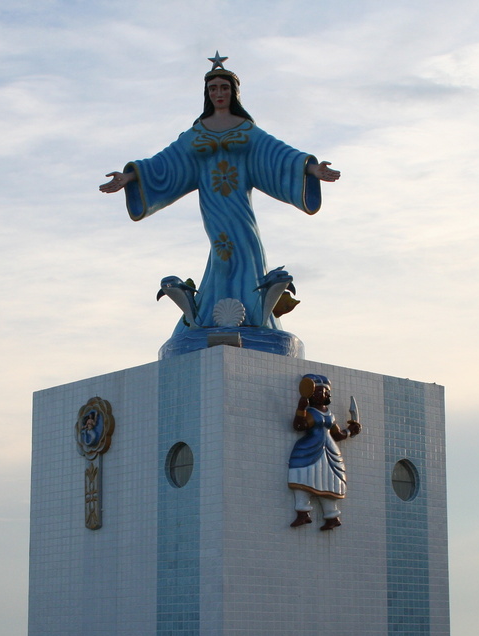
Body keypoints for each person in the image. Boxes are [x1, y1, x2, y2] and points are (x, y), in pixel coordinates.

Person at [100, 54, 339, 333]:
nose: (219, 93)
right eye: (213, 89)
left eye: (224, 88)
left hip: (239, 207)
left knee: (244, 252)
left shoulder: (247, 130)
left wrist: (311, 170)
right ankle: (211, 313)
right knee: (221, 256)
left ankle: (252, 316)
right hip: (213, 207)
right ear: (207, 93)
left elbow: (279, 155)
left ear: (233, 92)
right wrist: (129, 177)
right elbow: (165, 162)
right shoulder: (197, 132)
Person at [288, 374, 361, 530]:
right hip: (308, 448)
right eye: (318, 392)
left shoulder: (330, 415)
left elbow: (337, 434)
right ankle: (303, 513)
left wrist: (350, 430)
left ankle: (332, 516)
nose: (322, 395)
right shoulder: (309, 412)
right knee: (302, 477)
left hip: (329, 450)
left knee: (329, 481)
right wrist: (300, 409)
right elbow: (299, 426)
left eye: (325, 393)